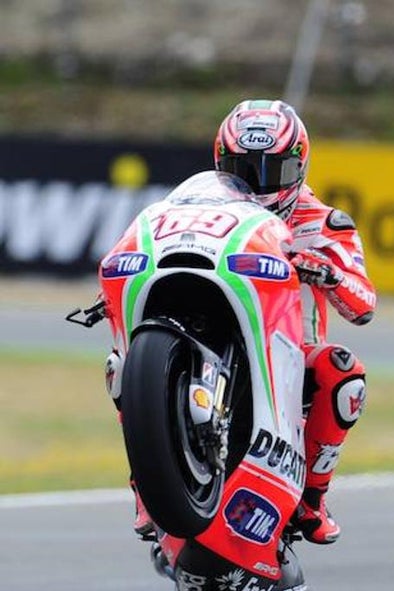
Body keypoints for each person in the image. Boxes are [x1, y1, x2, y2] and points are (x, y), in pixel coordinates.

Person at [131, 98, 377, 544]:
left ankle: (312, 501)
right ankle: (146, 488)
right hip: (214, 319)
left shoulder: (325, 222)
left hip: (287, 351)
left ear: (299, 167)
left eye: (274, 171)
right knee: (120, 366)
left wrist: (330, 274)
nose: (260, 185)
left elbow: (364, 304)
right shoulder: (196, 205)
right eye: (244, 170)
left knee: (343, 374)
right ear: (220, 162)